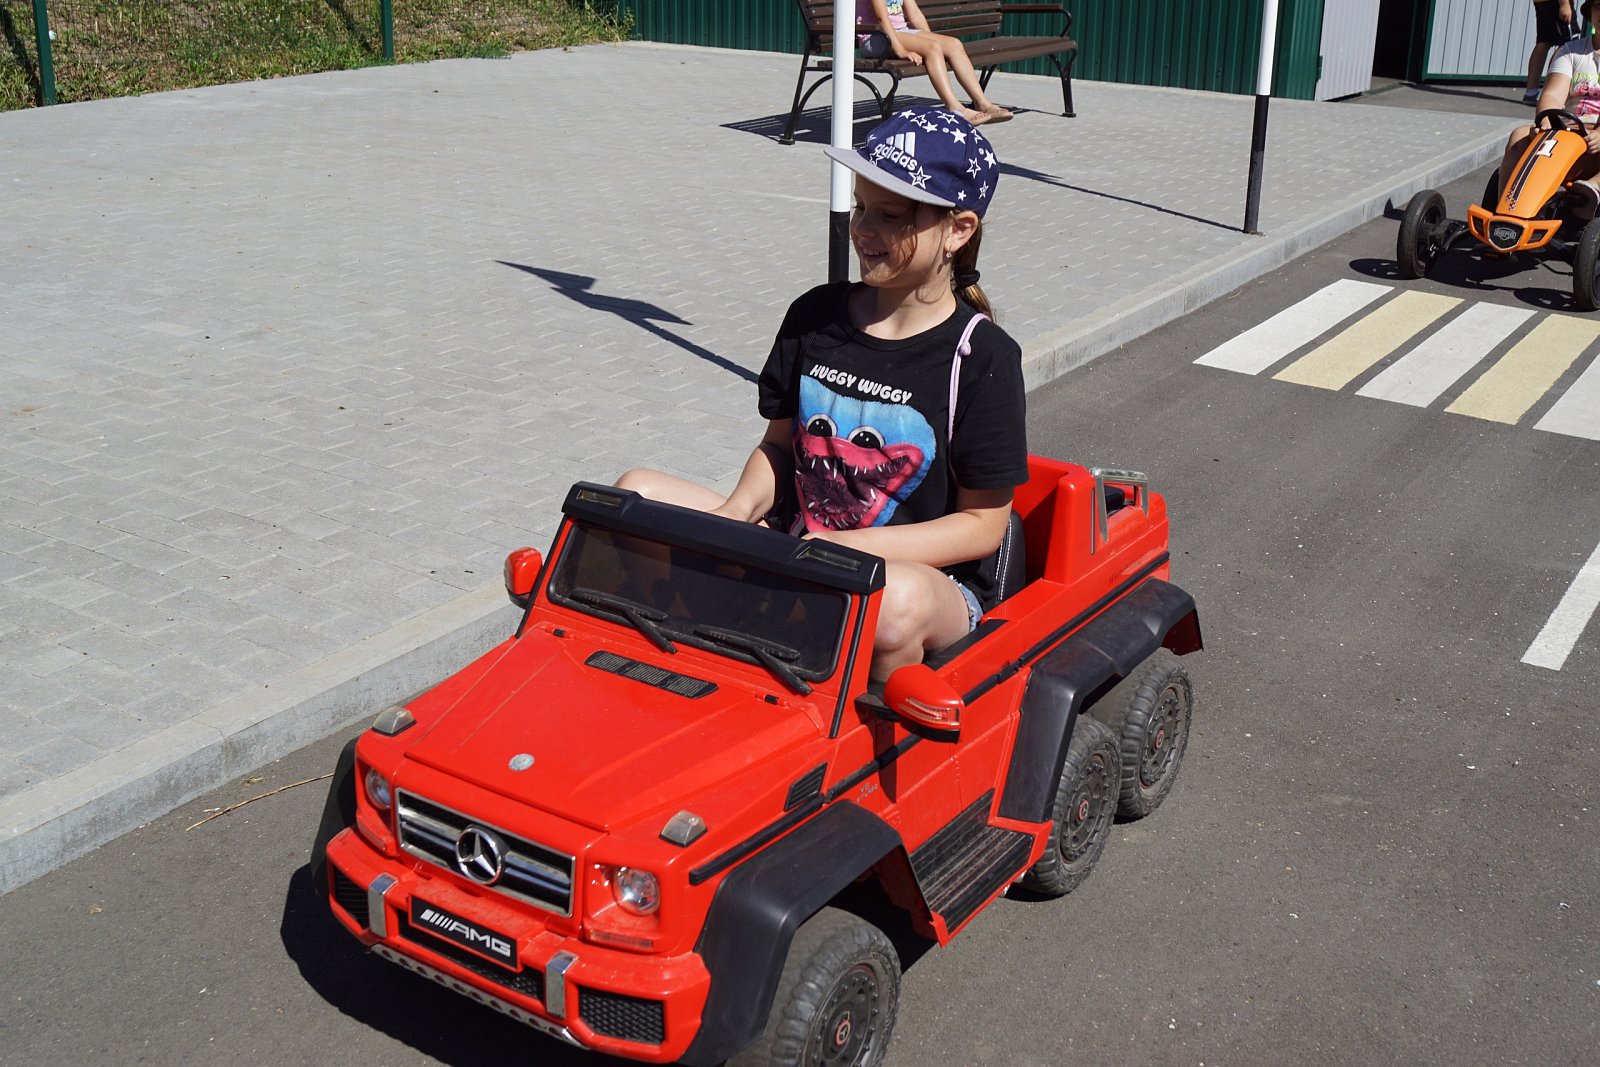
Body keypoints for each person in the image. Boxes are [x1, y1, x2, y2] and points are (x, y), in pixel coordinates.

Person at [616, 105, 1028, 681]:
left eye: (890, 215)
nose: (862, 229)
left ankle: (872, 724)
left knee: (893, 608)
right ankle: (690, 654)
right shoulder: (815, 315)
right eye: (860, 207)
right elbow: (779, 447)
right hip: (801, 549)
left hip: (922, 580)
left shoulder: (982, 356)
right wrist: (736, 513)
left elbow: (983, 525)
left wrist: (853, 550)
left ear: (958, 230)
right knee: (635, 495)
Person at [1502, 0, 1600, 215]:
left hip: (1597, 144)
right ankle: (1506, 215)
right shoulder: (1571, 51)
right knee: (1519, 137)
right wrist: (1546, 121)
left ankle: (1593, 187)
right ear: (1591, 11)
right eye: (1598, 6)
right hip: (1569, 135)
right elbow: (1553, 94)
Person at [858, 0, 1013, 125]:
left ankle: (982, 104)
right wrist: (901, 51)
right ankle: (955, 108)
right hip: (876, 37)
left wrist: (929, 38)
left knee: (954, 45)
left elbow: (915, 14)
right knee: (932, 48)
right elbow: (882, 19)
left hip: (900, 32)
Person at [1524, 0, 1576, 105]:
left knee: (1544, 42)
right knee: (1567, 45)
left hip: (1543, 3)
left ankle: (1531, 92)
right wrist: (1564, 4)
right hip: (1556, 4)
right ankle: (1551, 89)